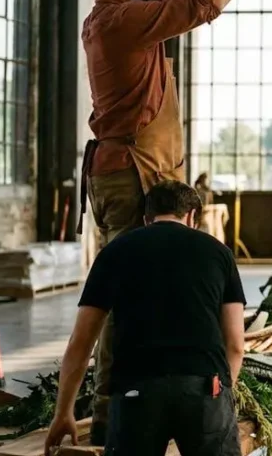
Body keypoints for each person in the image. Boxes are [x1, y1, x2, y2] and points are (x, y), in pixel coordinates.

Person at [73, 0, 265, 442]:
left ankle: (146, 397)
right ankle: (113, 415)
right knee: (122, 296)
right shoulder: (118, 22)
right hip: (131, 173)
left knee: (142, 290)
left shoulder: (127, 14)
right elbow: (203, 6)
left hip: (140, 169)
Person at [44, 181, 246, 456]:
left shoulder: (114, 253)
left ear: (146, 218)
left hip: (136, 392)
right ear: (191, 216)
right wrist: (221, 395)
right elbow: (235, 344)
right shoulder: (220, 254)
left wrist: (63, 412)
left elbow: (80, 343)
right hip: (203, 388)